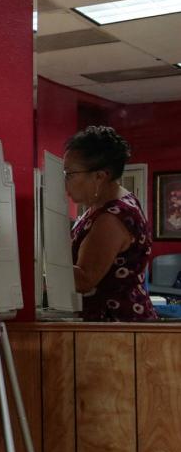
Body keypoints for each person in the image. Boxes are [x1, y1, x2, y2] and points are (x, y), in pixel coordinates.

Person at [65, 126, 158, 322]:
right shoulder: (99, 208)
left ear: (100, 176)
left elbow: (85, 280)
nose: (65, 182)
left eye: (70, 174)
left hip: (116, 325)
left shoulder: (112, 217)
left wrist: (38, 264)